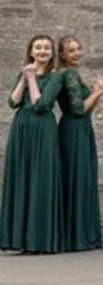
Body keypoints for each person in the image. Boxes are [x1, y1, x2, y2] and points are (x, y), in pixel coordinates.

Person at [0, 35, 65, 254]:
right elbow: (13, 102)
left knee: (40, 178)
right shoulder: (23, 74)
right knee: (21, 176)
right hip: (21, 129)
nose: (42, 51)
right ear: (31, 51)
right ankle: (18, 238)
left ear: (52, 53)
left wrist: (32, 80)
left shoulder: (56, 77)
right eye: (38, 47)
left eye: (46, 48)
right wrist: (24, 78)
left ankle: (39, 239)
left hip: (43, 129)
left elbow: (41, 104)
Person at [55, 36, 103, 251]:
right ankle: (77, 235)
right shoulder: (69, 74)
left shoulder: (70, 73)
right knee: (77, 177)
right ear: (62, 54)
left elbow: (87, 110)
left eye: (79, 49)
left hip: (79, 127)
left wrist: (96, 94)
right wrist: (97, 92)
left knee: (78, 176)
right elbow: (78, 109)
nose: (77, 53)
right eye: (71, 50)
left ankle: (76, 233)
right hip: (74, 129)